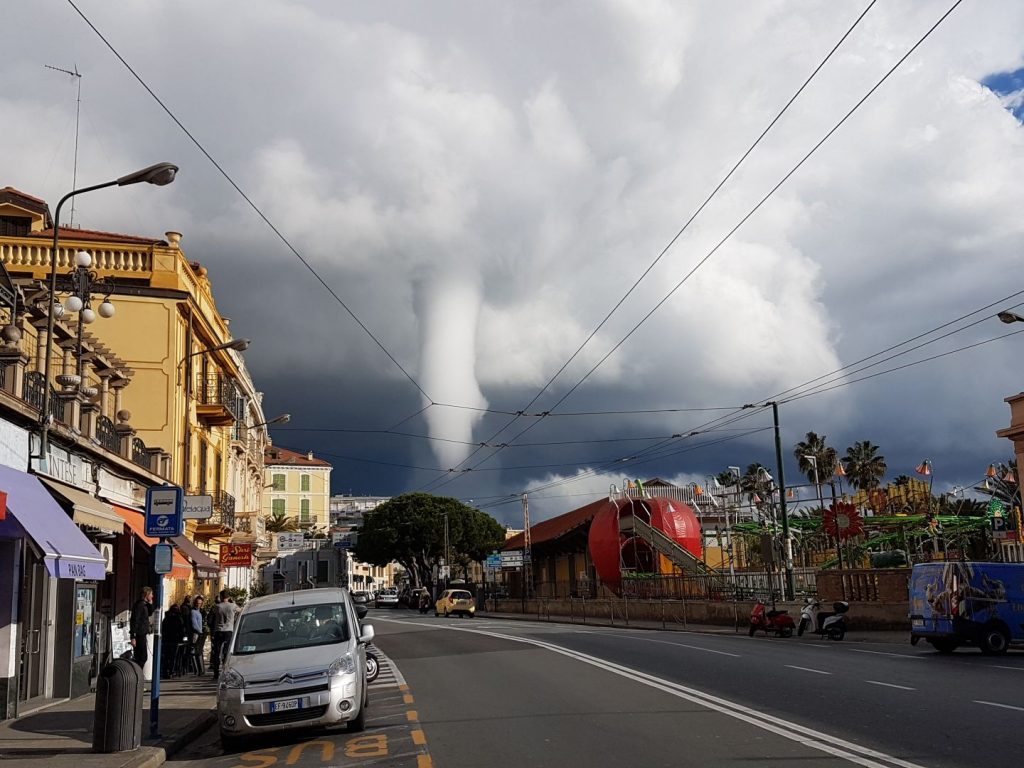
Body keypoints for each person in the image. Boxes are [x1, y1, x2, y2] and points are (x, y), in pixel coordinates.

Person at [210, 590, 240, 678]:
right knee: (226, 652)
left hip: (218, 630)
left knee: (216, 652)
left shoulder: (217, 606)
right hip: (228, 630)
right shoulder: (232, 606)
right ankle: (225, 671)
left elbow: (212, 617)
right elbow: (240, 610)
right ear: (229, 597)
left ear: (221, 596)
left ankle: (216, 672)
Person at [130, 586, 154, 669]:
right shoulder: (140, 605)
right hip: (139, 634)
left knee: (142, 657)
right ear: (146, 594)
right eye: (151, 594)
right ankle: (138, 673)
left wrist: (150, 604)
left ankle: (138, 673)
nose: (152, 596)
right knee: (142, 657)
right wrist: (133, 636)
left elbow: (150, 613)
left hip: (142, 633)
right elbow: (134, 620)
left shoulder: (145, 605)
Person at [190, 596, 207, 675]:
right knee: (195, 651)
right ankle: (197, 670)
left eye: (200, 603)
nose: (198, 605)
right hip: (195, 634)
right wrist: (200, 631)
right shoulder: (193, 612)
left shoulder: (199, 612)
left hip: (199, 633)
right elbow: (194, 624)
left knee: (198, 651)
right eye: (197, 603)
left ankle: (200, 670)